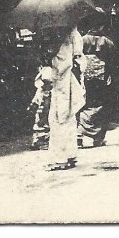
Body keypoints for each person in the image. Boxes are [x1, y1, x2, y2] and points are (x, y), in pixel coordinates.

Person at [45, 27, 86, 171]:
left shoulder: (52, 35)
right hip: (68, 77)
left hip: (61, 78)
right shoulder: (74, 33)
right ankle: (70, 155)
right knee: (68, 117)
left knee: (58, 119)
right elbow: (79, 56)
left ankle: (60, 158)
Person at [78, 15, 117, 148]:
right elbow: (112, 61)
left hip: (85, 75)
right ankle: (97, 137)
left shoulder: (82, 40)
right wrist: (110, 75)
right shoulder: (107, 42)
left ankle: (80, 134)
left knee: (84, 103)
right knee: (101, 104)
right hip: (101, 75)